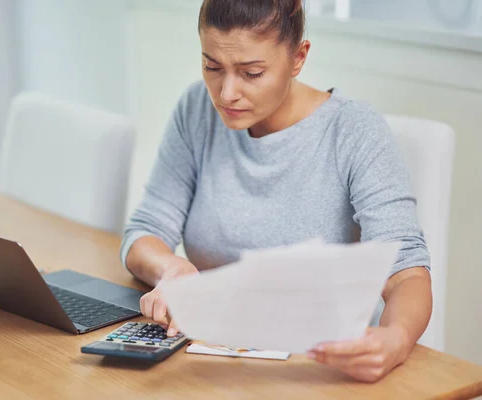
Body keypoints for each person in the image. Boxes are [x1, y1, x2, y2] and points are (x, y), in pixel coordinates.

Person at [120, 0, 432, 383]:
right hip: (210, 363)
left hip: (318, 369)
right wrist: (173, 268)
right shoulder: (197, 110)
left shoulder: (354, 131)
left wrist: (395, 339)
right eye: (212, 67)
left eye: (251, 73)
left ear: (298, 58)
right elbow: (144, 231)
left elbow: (405, 274)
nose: (226, 93)